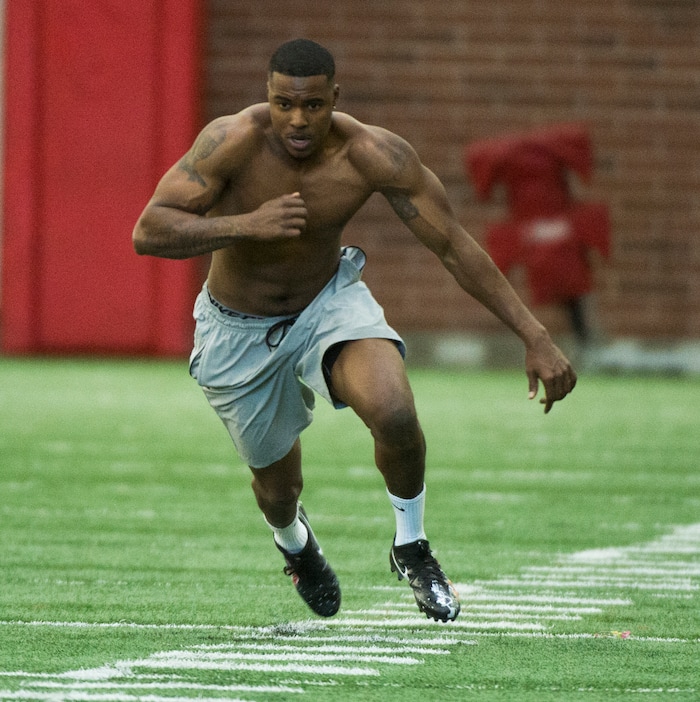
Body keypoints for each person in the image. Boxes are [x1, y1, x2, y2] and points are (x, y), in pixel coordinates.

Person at [132, 39, 576, 623]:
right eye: (284, 103)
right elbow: (149, 231)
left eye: (312, 105)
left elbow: (451, 244)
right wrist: (248, 225)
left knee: (394, 411)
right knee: (278, 489)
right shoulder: (231, 140)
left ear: (334, 98)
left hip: (327, 302)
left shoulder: (372, 152)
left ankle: (412, 546)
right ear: (267, 96)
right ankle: (295, 545)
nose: (297, 119)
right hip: (237, 327)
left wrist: (534, 334)